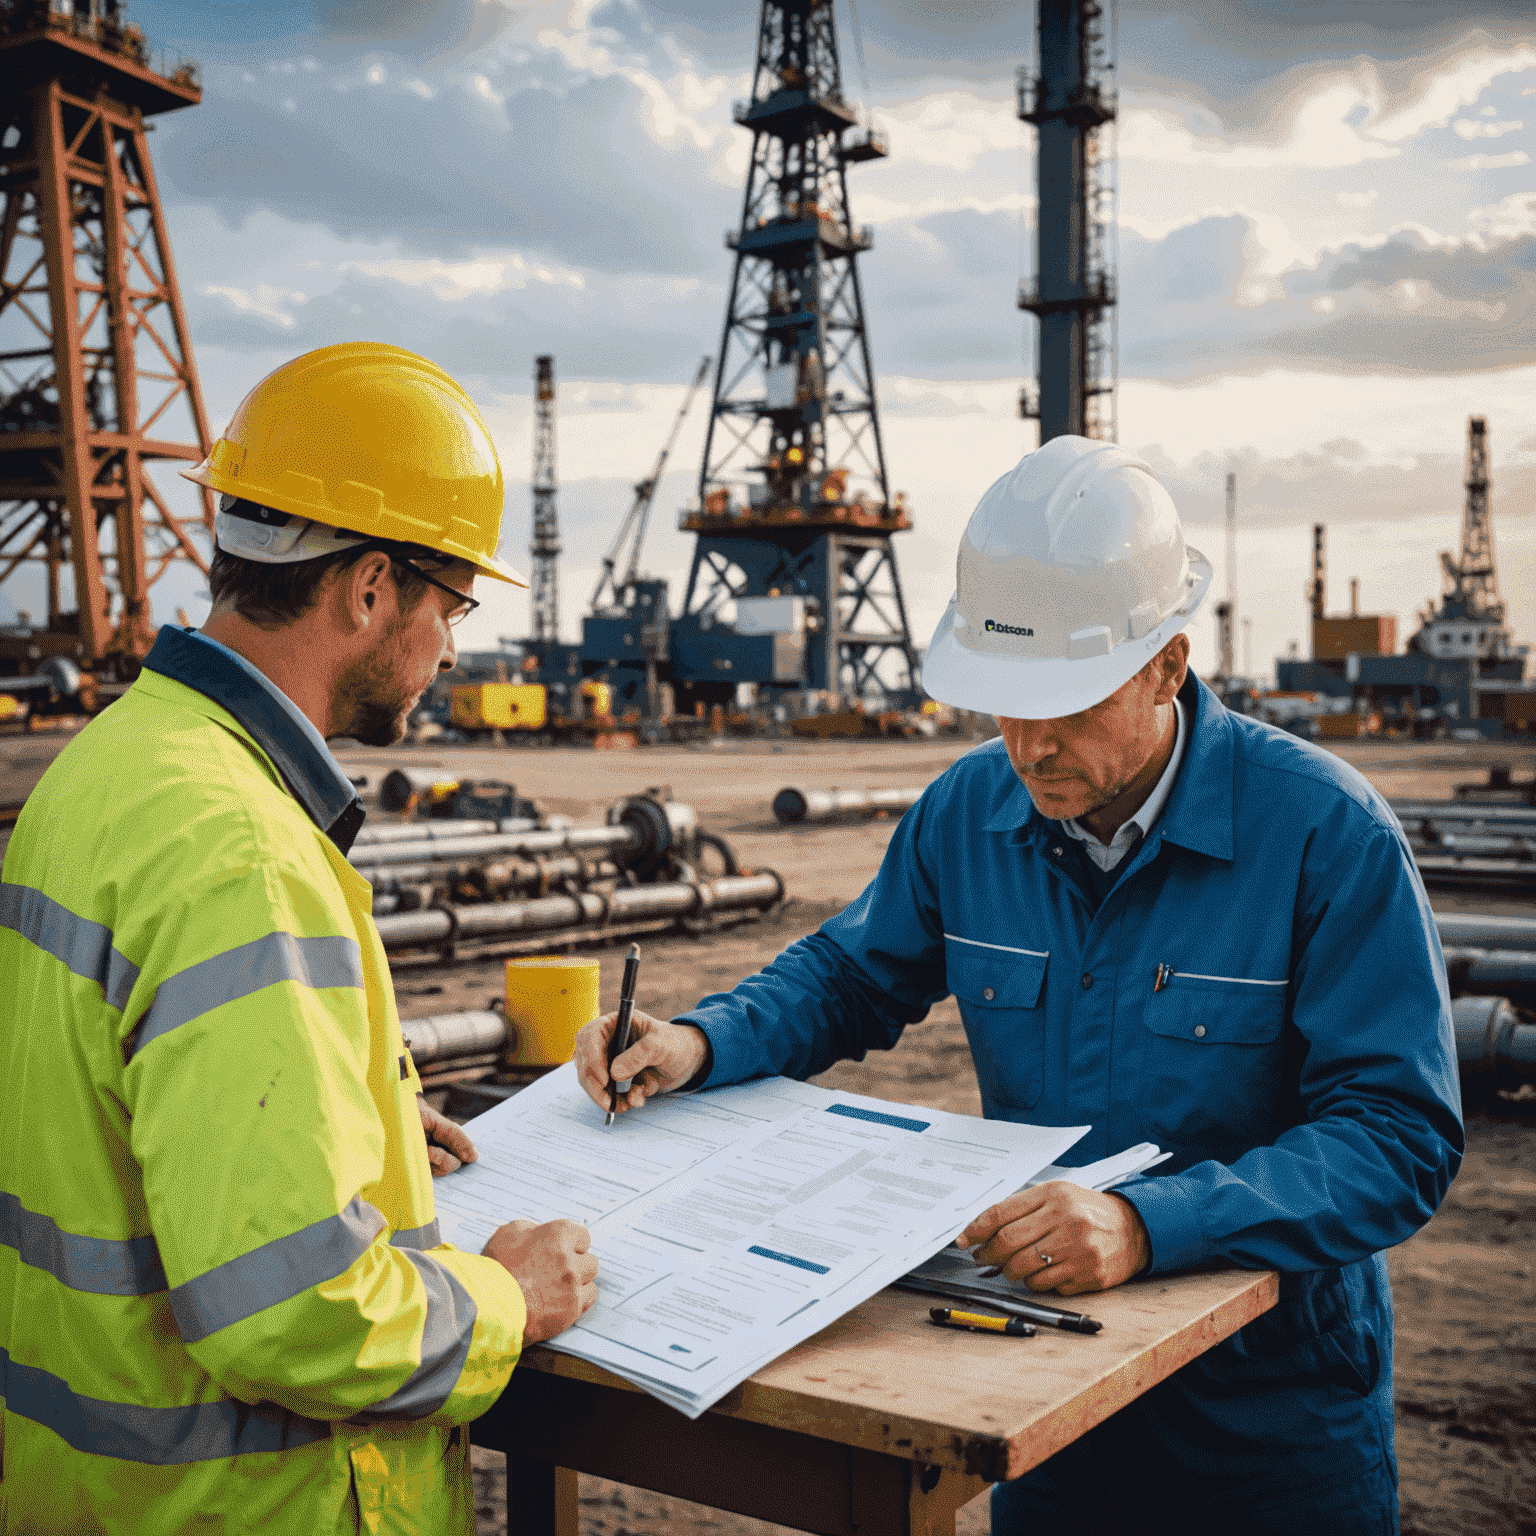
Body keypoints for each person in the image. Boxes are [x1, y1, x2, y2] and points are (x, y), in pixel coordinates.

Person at [574, 436, 1462, 1535]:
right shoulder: (971, 811)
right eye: (1004, 702)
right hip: (1049, 1405)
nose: (1032, 745)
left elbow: (1397, 1136)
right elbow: (853, 974)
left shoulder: (1325, 836)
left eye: (1070, 704)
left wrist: (1148, 1224)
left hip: (1269, 1432)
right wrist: (703, 1041)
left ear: (1167, 666)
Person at [1, 343, 597, 1533]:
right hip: (246, 1504)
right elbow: (299, 1316)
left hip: (88, 1485)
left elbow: (105, 1108)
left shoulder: (108, 766)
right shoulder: (245, 851)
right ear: (370, 587)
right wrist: (509, 1300)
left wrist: (357, 1118)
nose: (447, 648)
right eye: (451, 605)